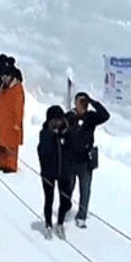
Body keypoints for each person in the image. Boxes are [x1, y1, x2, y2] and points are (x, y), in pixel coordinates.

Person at [64, 92, 110, 228]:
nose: (80, 105)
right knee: (68, 187)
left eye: (83, 102)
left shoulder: (91, 117)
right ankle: (66, 208)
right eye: (78, 102)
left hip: (85, 161)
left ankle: (82, 216)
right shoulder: (69, 116)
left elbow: (106, 116)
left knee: (85, 189)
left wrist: (93, 102)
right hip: (71, 159)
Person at [38, 105, 75, 240]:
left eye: (60, 119)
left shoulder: (67, 133)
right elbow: (42, 152)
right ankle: (48, 224)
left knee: (65, 200)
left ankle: (60, 223)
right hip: (49, 173)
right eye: (55, 120)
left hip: (64, 173)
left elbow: (72, 150)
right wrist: (52, 135)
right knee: (49, 200)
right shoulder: (44, 134)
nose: (58, 122)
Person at [0, 67, 25, 173]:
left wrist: (17, 123)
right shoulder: (3, 87)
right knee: (2, 144)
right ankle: (2, 163)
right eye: (2, 76)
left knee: (11, 145)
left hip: (11, 122)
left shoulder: (17, 88)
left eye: (5, 76)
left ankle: (11, 165)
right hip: (2, 121)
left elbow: (18, 107)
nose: (3, 78)